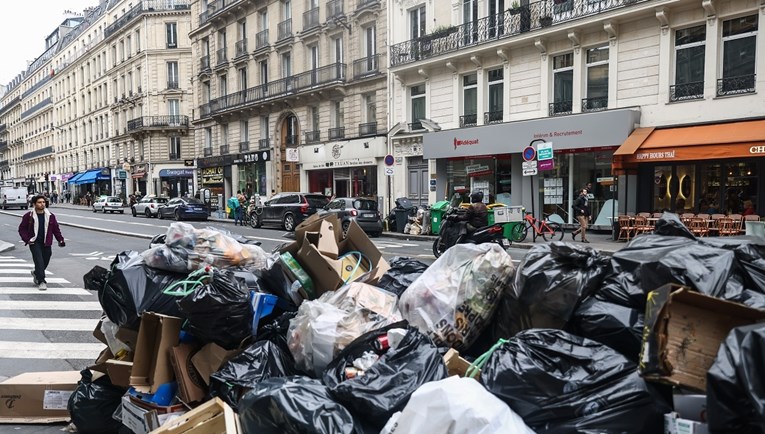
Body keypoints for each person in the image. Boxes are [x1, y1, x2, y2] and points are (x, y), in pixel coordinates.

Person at [18, 195, 65, 291]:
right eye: (39, 202)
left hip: (46, 242)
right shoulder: (29, 216)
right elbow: (22, 229)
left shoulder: (50, 216)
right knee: (39, 260)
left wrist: (60, 239)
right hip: (34, 242)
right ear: (34, 204)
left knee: (46, 259)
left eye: (43, 202)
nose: (42, 204)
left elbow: (56, 229)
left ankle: (36, 273)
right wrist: (27, 239)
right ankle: (41, 281)